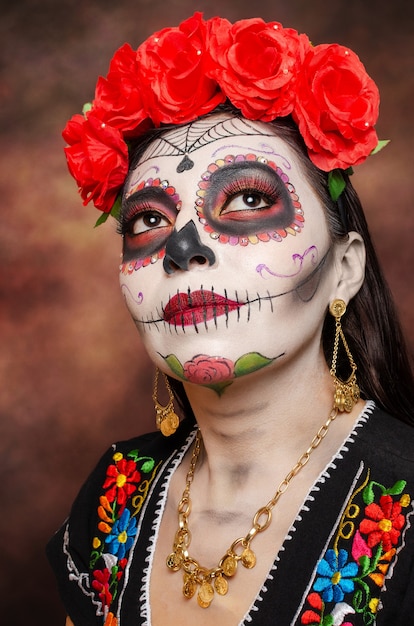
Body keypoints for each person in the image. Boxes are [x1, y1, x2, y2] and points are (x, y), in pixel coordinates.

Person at [47, 12, 414, 626]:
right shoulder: (115, 494)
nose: (181, 248)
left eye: (249, 199)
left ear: (345, 269)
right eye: (148, 220)